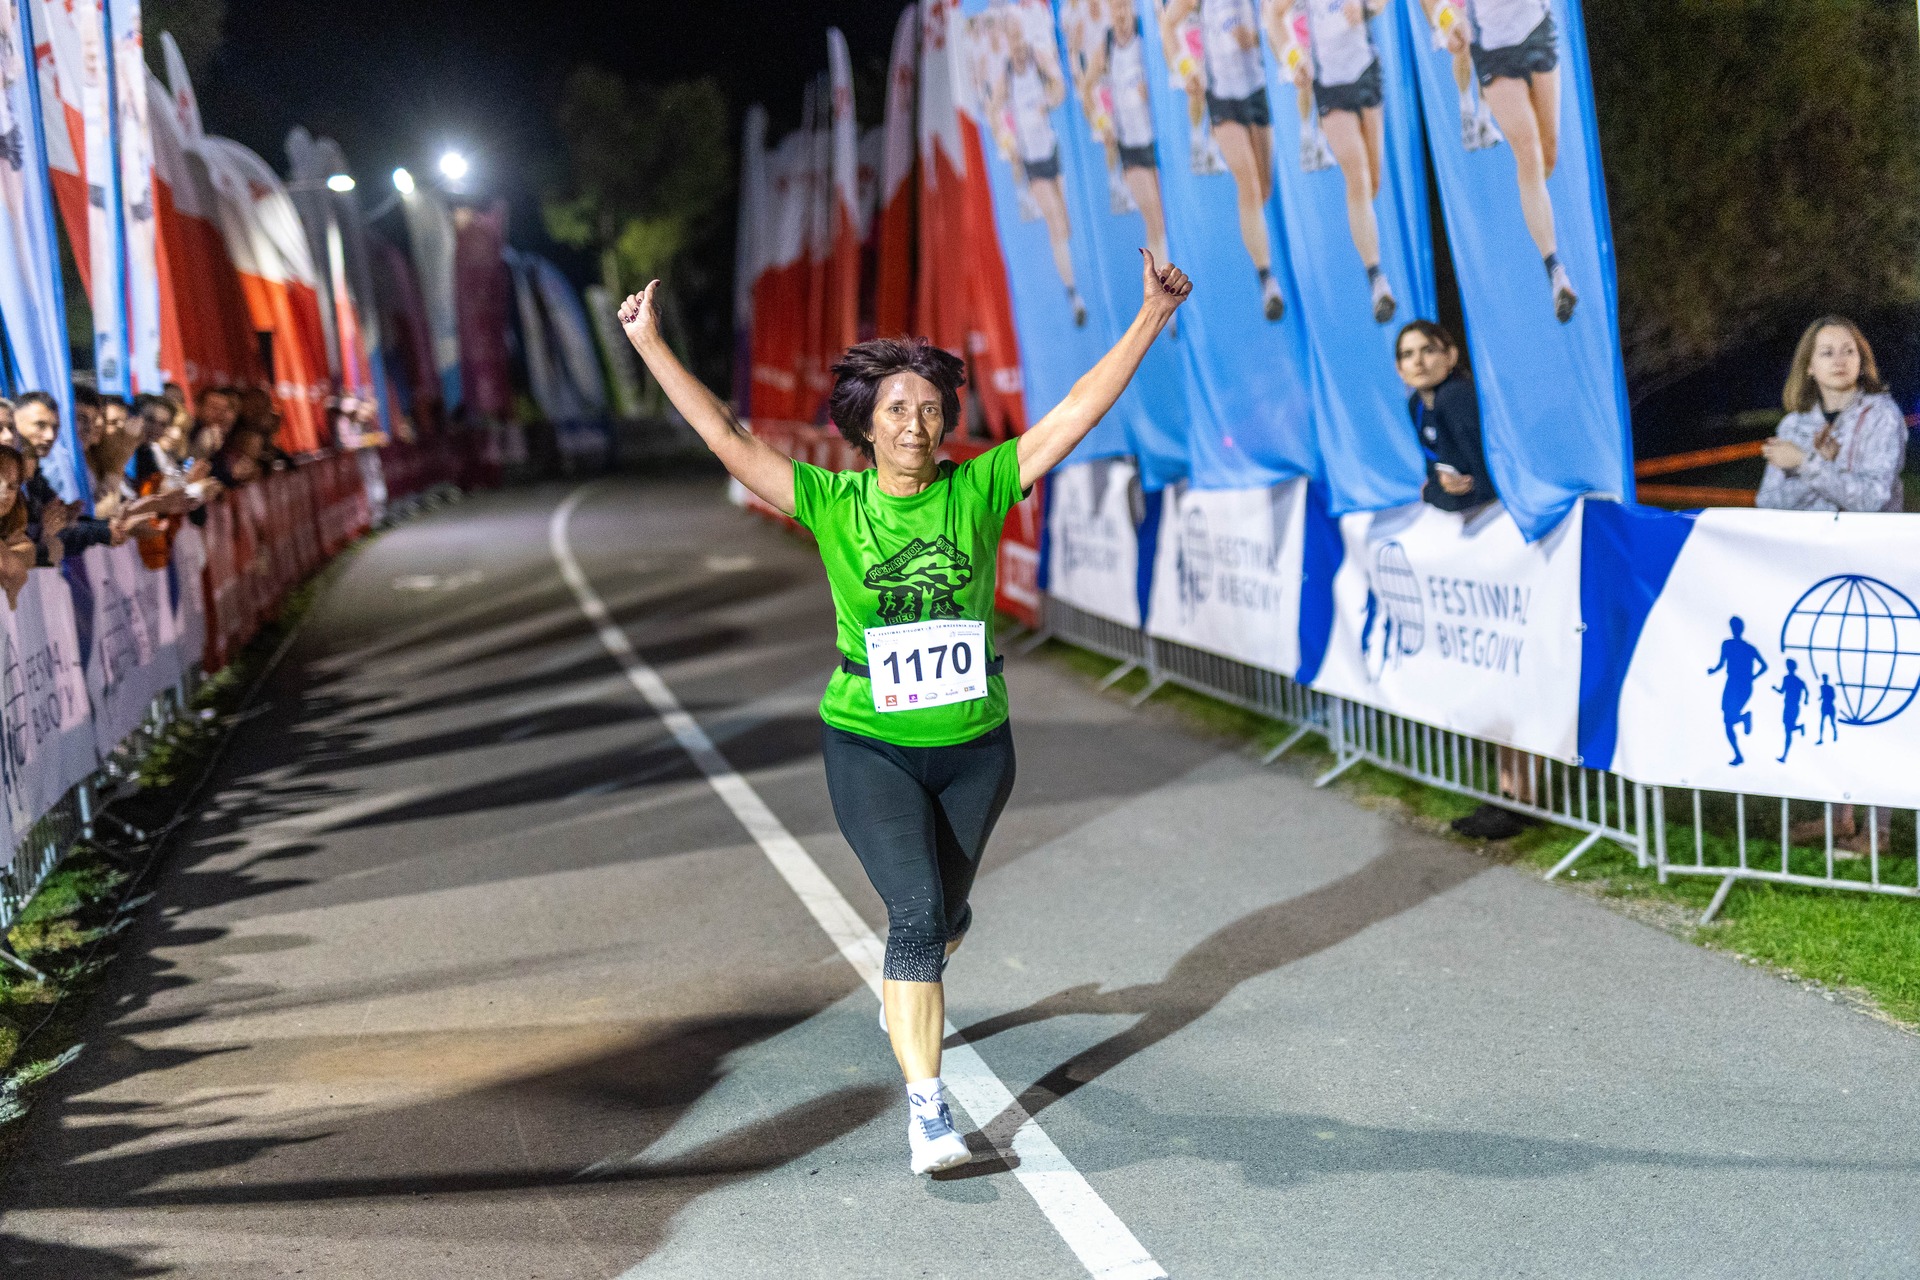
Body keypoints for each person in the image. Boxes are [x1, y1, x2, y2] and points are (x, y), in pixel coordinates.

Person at [618, 247, 1191, 1177]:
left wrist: (1151, 318)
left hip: (975, 749)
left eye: (929, 409)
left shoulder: (980, 487)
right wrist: (649, 343)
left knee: (944, 916)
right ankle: (928, 1113)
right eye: (895, 410)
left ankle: (915, 973)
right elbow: (725, 434)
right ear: (864, 423)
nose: (915, 424)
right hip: (870, 744)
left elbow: (1075, 412)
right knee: (917, 915)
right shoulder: (830, 501)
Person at [1427, 0, 1576, 322]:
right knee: (1528, 154)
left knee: (1547, 155)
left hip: (1536, 28)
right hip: (1492, 49)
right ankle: (1555, 270)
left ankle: (1534, 203)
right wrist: (1445, 19)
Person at [1161, 0, 1286, 320]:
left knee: (1263, 188)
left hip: (1256, 90)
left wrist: (1257, 38)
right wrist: (1185, 68)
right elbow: (1168, 24)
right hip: (1222, 97)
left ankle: (1259, 251)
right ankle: (1267, 280)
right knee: (1248, 185)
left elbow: (1277, 19)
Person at [1275, 0, 1397, 322]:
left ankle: (1365, 241)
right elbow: (1272, 16)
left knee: (1373, 181)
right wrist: (1292, 56)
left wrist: (1365, 10)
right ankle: (1377, 278)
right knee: (1357, 178)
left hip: (1364, 71)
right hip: (1328, 85)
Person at [989, 15, 1088, 326]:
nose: (1018, 46)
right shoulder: (1006, 73)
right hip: (1031, 160)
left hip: (1050, 148)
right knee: (1055, 221)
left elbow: (1059, 88)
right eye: (1013, 41)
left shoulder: (1037, 58)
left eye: (1020, 39)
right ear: (1008, 43)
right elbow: (994, 111)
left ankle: (1077, 275)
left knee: (1066, 222)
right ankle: (1073, 295)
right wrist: (1006, 139)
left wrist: (1047, 101)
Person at [1757, 316, 1906, 513]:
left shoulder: (1881, 415)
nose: (1839, 361)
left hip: (1867, 533)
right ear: (1809, 365)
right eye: (1827, 353)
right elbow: (1768, 503)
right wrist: (1820, 463)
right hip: (1809, 533)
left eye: (1848, 351)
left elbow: (1872, 499)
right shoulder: (1793, 425)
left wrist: (1804, 462)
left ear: (1861, 361)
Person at [1395, 320, 1495, 512]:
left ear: (1451, 355)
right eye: (1407, 354)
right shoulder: (1416, 404)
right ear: (1399, 368)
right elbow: (1433, 475)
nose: (1418, 362)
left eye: (1428, 350)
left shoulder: (1455, 396)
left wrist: (1436, 492)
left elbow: (1486, 483)